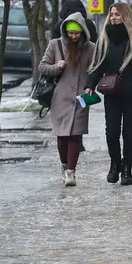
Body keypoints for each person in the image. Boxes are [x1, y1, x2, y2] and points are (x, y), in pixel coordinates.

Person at [85, 2, 132, 186]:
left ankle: (127, 168)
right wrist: (89, 85)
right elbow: (97, 66)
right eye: (112, 14)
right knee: (112, 133)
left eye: (117, 14)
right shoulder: (104, 39)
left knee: (129, 133)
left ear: (125, 16)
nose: (114, 17)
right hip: (112, 93)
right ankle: (115, 164)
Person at [38, 12, 95, 187]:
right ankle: (64, 166)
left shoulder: (91, 48)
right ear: (65, 32)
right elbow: (42, 66)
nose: (74, 36)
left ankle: (71, 171)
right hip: (60, 98)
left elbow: (95, 69)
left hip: (81, 98)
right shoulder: (55, 45)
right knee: (62, 136)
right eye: (70, 33)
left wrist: (91, 85)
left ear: (83, 32)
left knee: (75, 136)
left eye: (77, 33)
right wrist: (57, 66)